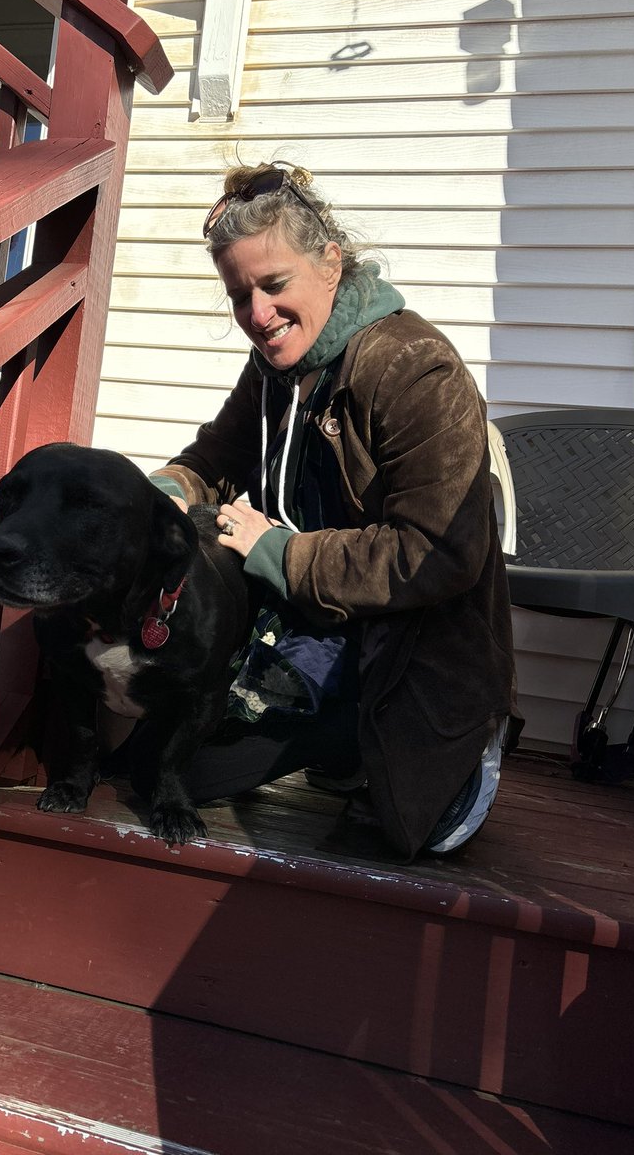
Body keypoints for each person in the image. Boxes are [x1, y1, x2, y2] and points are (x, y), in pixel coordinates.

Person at [143, 161, 520, 861]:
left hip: (406, 651)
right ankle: (329, 738)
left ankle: (440, 749)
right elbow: (207, 461)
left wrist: (279, 554)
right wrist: (160, 499)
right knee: (165, 764)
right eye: (239, 295)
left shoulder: (414, 368)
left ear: (331, 263)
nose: (257, 314)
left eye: (274, 284)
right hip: (304, 626)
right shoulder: (273, 372)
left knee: (180, 769)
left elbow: (440, 554)